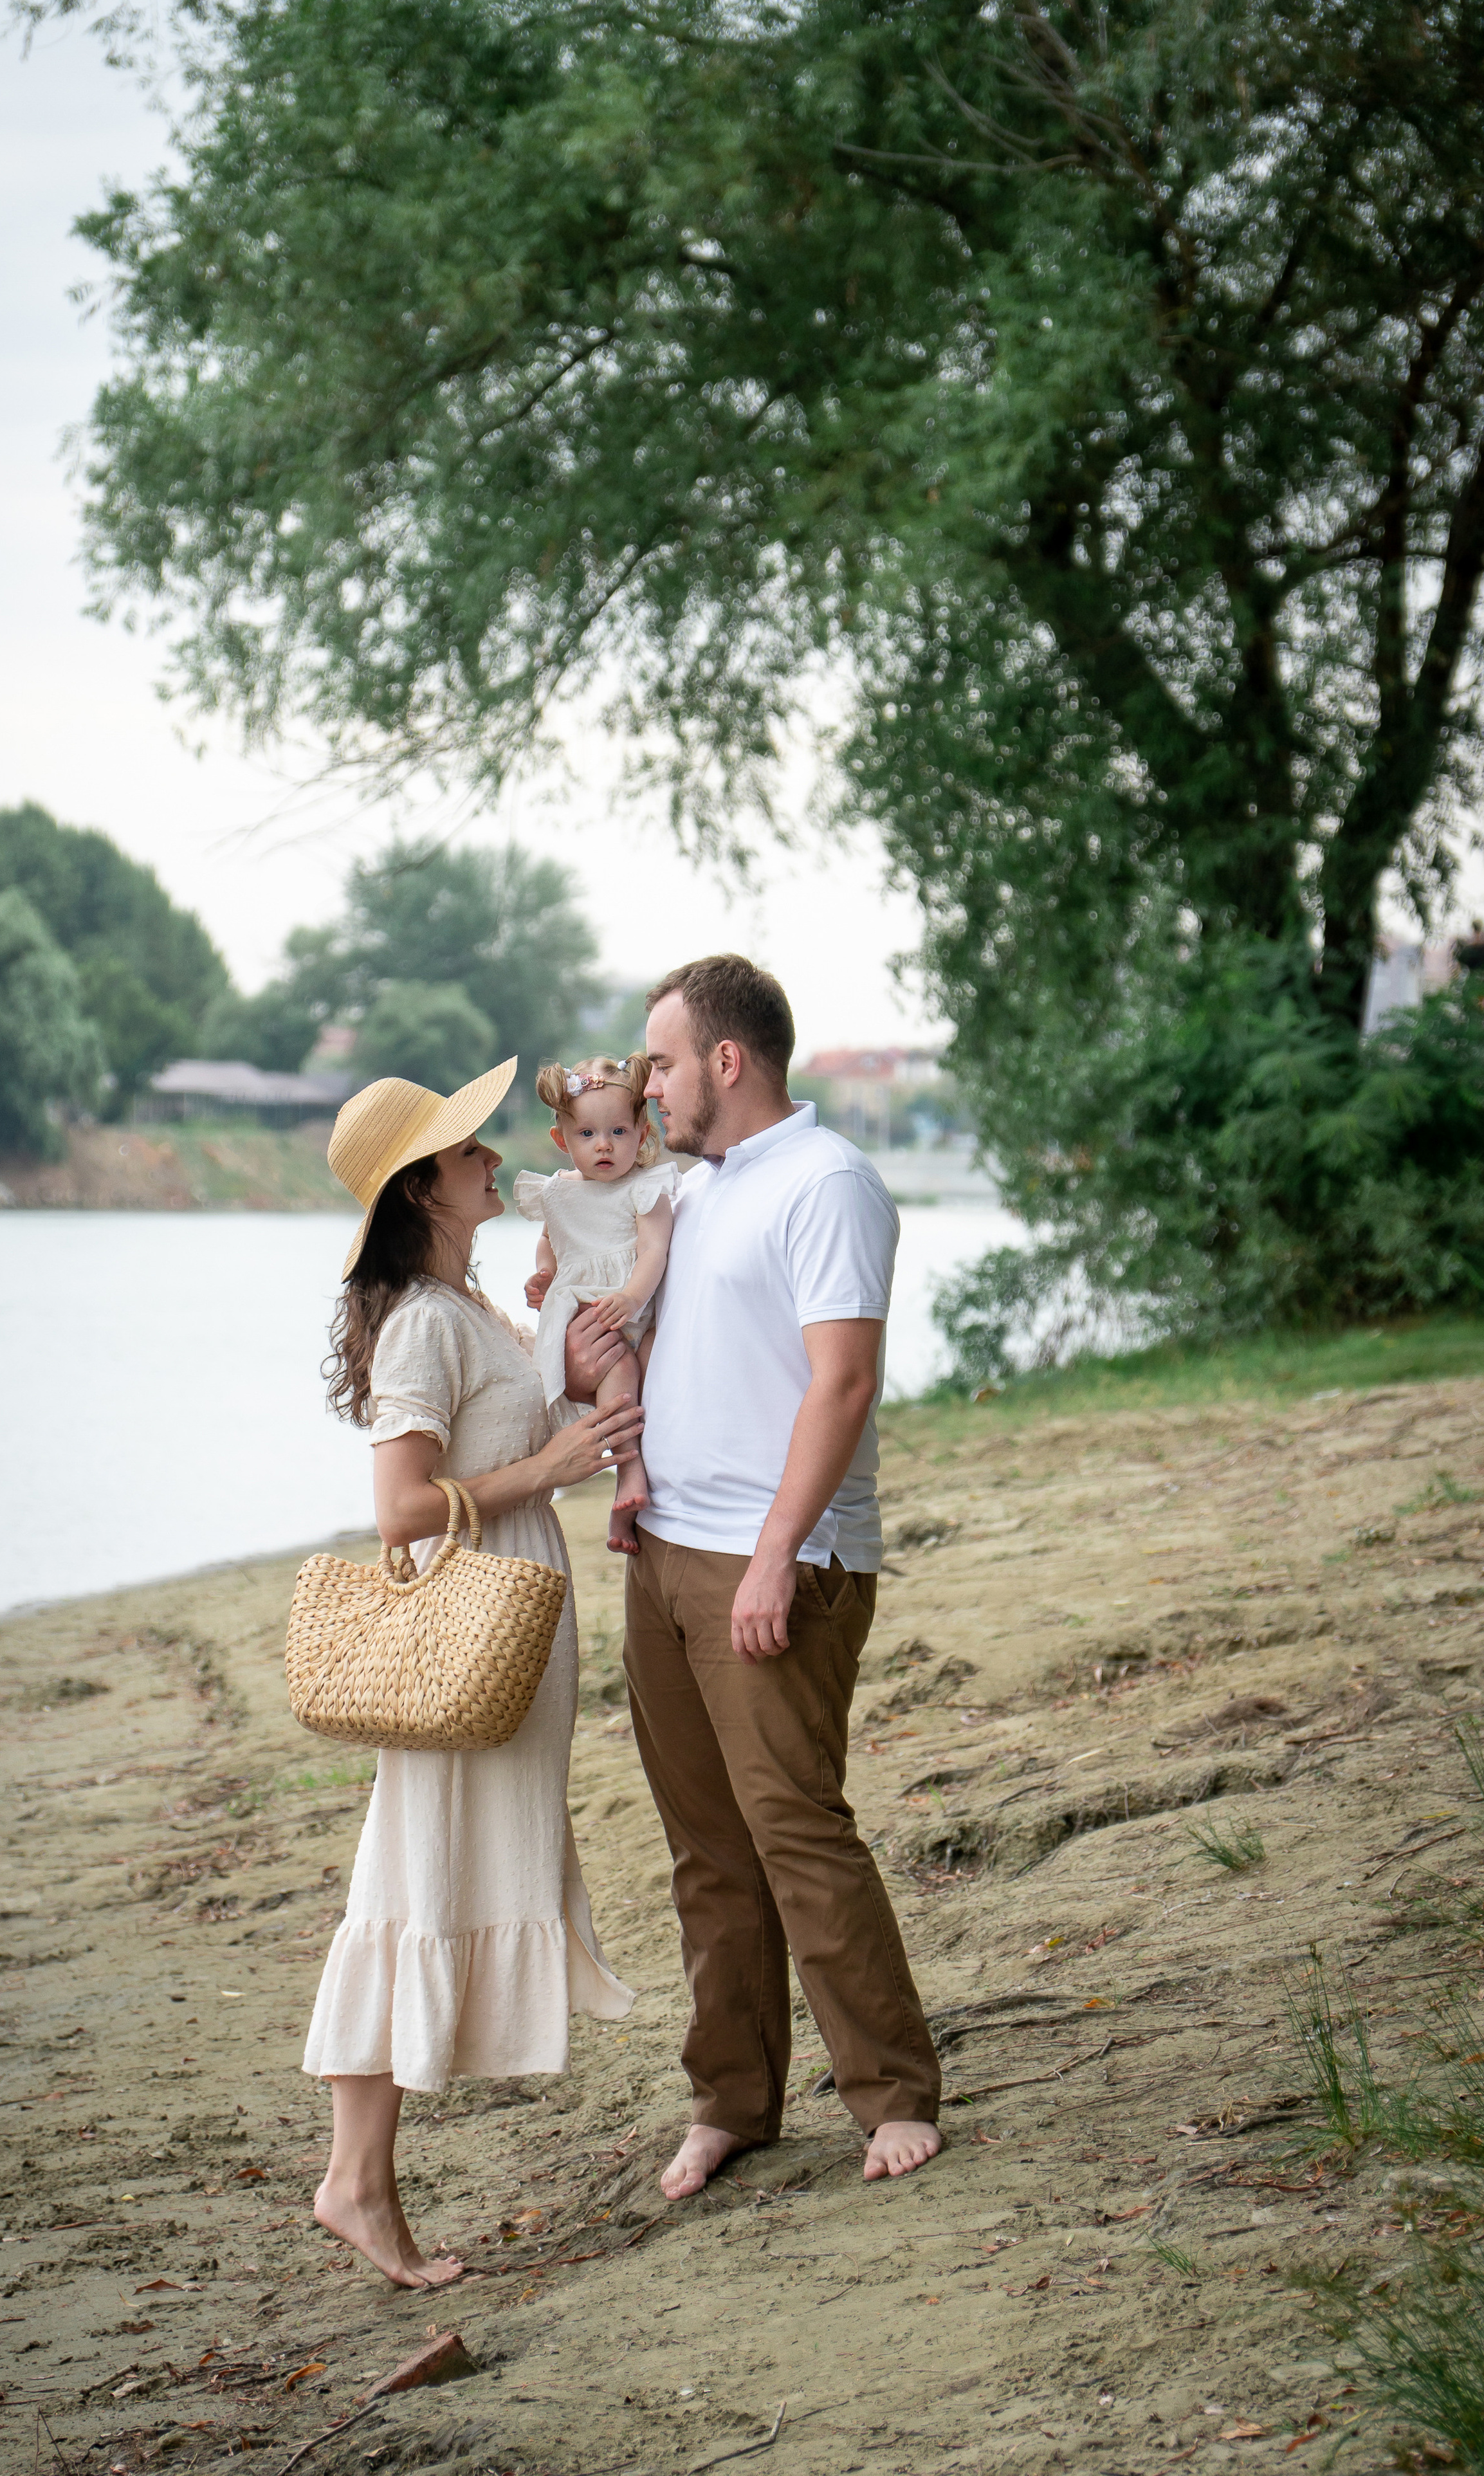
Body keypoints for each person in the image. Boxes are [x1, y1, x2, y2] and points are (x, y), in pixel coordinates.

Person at [565, 956, 942, 2194]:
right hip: (664, 1552)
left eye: (663, 1062)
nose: (646, 1086)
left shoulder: (826, 1181)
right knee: (709, 1851)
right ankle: (733, 2097)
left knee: (795, 1830)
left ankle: (893, 2092)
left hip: (770, 1558)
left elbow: (845, 1381)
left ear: (727, 1060)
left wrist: (776, 1554)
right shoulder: (697, 1188)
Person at [303, 1058, 639, 2288]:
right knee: (410, 1878)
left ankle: (360, 2177)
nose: (495, 1156)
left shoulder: (473, 1305)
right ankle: (355, 2181)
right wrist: (551, 1466)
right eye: (468, 1149)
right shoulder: (425, 1324)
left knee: (424, 1875)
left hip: (510, 1619)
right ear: (421, 1189)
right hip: (466, 1626)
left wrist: (564, 1355)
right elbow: (400, 1507)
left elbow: (520, 1425)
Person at [517, 1054, 678, 1554]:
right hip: (584, 1311)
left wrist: (631, 1295)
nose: (603, 1144)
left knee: (650, 1367)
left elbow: (654, 1251)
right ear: (562, 1140)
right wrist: (544, 1276)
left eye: (617, 1132)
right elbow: (549, 1242)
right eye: (587, 1134)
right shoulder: (557, 1193)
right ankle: (626, 1470)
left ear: (642, 1132)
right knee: (619, 1371)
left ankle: (640, 1476)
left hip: (629, 1306)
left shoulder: (645, 1188)